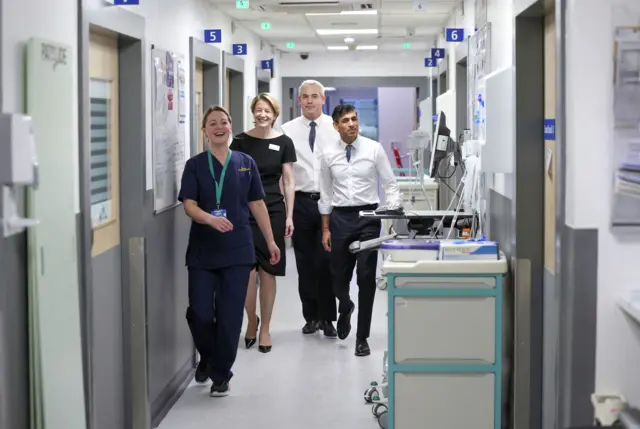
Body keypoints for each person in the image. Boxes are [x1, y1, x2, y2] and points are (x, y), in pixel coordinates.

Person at [179, 105, 280, 397]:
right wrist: (210, 219)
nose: (219, 126)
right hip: (203, 251)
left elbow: (257, 204)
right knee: (199, 313)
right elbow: (189, 204)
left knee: (230, 316)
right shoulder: (195, 165)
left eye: (224, 121)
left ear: (231, 126)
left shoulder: (245, 162)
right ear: (204, 130)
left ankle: (221, 374)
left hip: (238, 251)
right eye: (213, 123)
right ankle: (209, 357)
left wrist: (271, 241)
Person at [318, 104, 401, 357]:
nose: (352, 124)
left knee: (366, 278)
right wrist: (325, 228)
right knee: (338, 278)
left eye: (354, 119)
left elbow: (390, 183)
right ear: (336, 126)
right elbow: (326, 193)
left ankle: (361, 337)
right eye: (345, 120)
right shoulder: (328, 153)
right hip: (340, 219)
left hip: (368, 218)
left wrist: (393, 208)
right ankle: (345, 307)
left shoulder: (373, 149)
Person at [230, 93, 296, 353]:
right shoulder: (240, 141)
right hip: (244, 211)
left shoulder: (284, 142)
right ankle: (251, 321)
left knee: (268, 271)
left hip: (273, 210)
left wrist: (290, 215)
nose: (262, 114)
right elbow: (232, 177)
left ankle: (266, 326)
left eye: (267, 110)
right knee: (247, 271)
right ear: (253, 112)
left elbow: (289, 181)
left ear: (274, 113)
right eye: (258, 109)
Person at [281, 80, 338, 338]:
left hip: (329, 202)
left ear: (323, 100)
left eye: (315, 96)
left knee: (326, 261)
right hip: (302, 201)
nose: (311, 101)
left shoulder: (335, 128)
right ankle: (311, 316)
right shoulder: (286, 130)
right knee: (304, 262)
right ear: (299, 100)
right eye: (306, 97)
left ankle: (328, 317)